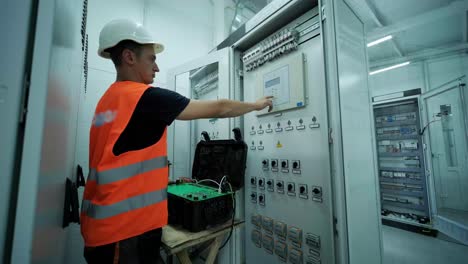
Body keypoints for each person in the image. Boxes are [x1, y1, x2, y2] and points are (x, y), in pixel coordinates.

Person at [80, 19, 273, 264]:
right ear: (129, 57)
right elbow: (221, 108)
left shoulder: (107, 101)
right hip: (124, 235)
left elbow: (117, 159)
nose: (157, 67)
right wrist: (256, 105)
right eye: (151, 58)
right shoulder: (144, 98)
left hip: (102, 231)